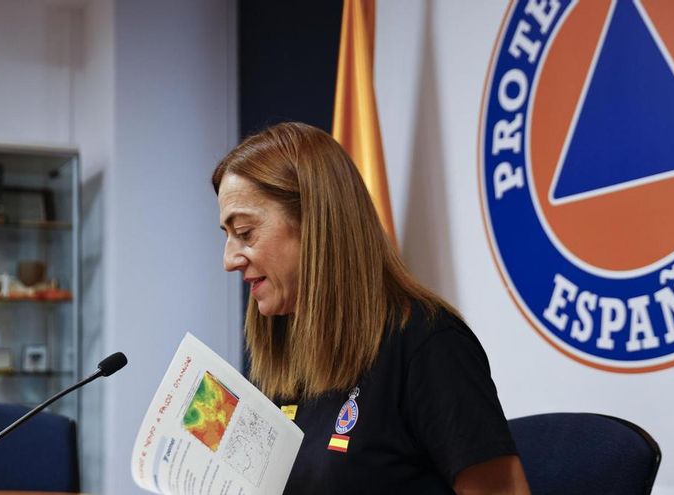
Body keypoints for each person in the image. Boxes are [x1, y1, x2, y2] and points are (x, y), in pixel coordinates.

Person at [213, 122, 530, 494]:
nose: (229, 260)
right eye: (228, 236)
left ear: (315, 222)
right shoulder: (280, 358)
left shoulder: (428, 344)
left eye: (245, 233)